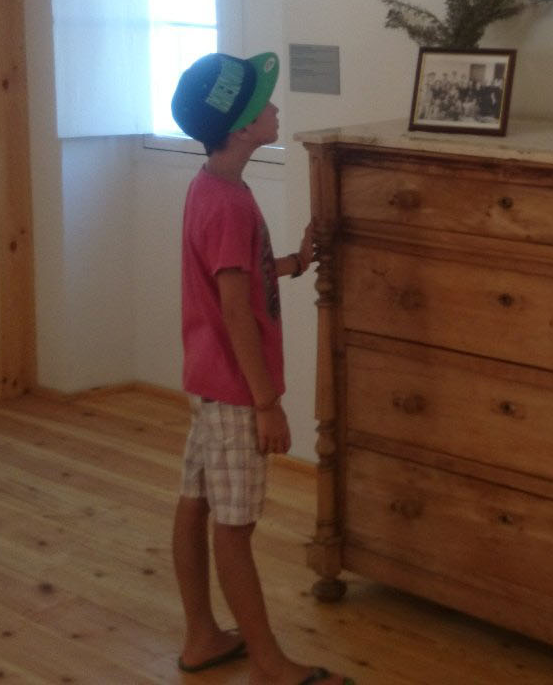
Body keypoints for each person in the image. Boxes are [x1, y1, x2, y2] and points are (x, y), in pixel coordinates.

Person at [168, 50, 353, 685]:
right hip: (235, 391)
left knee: (196, 506)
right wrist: (267, 402)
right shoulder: (227, 203)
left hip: (209, 383)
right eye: (265, 102)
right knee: (235, 526)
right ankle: (268, 661)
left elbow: (239, 280)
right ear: (243, 124)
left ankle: (202, 636)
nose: (276, 107)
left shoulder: (214, 188)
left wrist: (294, 263)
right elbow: (234, 311)